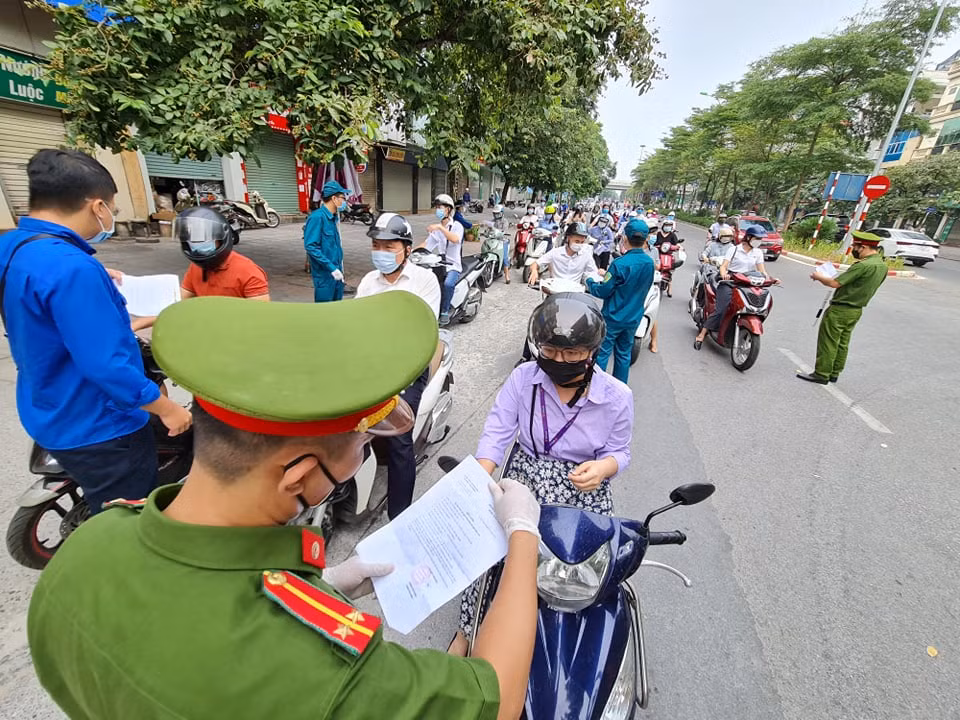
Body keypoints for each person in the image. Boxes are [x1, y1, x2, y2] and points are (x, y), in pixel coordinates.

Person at [28, 292, 542, 720]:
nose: (363, 454)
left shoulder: (87, 549)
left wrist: (322, 584)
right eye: (360, 447)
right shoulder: (323, 671)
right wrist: (521, 536)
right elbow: (496, 696)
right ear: (297, 476)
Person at [0, 149, 191, 514]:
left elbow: (33, 302)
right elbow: (106, 365)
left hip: (46, 407)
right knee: (126, 518)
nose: (110, 217)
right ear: (96, 206)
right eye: (113, 210)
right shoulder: (73, 269)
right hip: (100, 425)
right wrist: (167, 408)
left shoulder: (12, 246)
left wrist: (98, 278)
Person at [449, 293, 633, 654]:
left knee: (584, 568)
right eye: (550, 351)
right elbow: (497, 432)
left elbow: (620, 452)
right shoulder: (524, 378)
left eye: (572, 354)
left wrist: (604, 467)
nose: (559, 361)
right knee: (490, 553)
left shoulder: (617, 396)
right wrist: (478, 480)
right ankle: (466, 631)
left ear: (592, 351)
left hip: (581, 487)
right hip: (524, 477)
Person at [357, 213, 441, 518]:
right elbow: (355, 325)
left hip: (408, 368)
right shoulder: (368, 282)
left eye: (388, 246)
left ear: (406, 248)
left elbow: (421, 330)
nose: (381, 251)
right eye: (376, 245)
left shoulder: (424, 280)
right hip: (372, 365)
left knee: (398, 436)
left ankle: (399, 516)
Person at [130, 207, 270, 332]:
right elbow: (176, 303)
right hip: (206, 330)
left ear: (222, 238)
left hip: (234, 334)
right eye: (193, 241)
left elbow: (260, 319)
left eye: (203, 239)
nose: (197, 244)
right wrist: (141, 322)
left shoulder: (248, 272)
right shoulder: (196, 268)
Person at [798, 231, 888, 384]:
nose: (853, 249)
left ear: (863, 247)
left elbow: (835, 283)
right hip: (856, 310)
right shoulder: (881, 265)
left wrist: (818, 277)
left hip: (841, 309)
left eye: (855, 246)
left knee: (829, 341)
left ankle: (821, 373)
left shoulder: (863, 265)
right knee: (843, 342)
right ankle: (834, 372)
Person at [586, 217, 655, 383]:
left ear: (624, 238)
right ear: (646, 240)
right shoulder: (649, 263)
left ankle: (597, 387)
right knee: (624, 355)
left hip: (613, 318)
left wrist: (590, 282)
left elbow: (603, 291)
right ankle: (619, 389)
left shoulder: (619, 264)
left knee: (602, 354)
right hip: (633, 318)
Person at [694, 226, 777, 350]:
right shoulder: (734, 250)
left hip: (747, 283)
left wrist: (771, 278)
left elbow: (762, 271)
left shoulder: (758, 252)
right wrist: (724, 274)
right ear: (748, 237)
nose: (759, 241)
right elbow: (724, 266)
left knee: (755, 306)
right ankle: (702, 334)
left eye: (760, 239)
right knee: (721, 309)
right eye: (757, 238)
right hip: (730, 282)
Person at [421, 193, 464, 327]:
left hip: (453, 266)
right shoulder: (437, 229)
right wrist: (409, 252)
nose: (438, 210)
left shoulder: (457, 226)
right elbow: (427, 244)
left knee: (448, 284)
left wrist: (440, 227)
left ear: (449, 210)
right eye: (437, 207)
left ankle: (445, 311)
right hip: (440, 263)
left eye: (441, 207)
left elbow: (455, 239)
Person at [304, 180, 349, 302]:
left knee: (337, 311)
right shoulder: (317, 217)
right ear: (334, 198)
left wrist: (338, 269)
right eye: (342, 198)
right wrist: (331, 268)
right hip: (324, 276)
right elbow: (311, 247)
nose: (344, 201)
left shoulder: (333, 218)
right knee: (324, 312)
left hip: (337, 274)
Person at [528, 222, 599, 287]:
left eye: (582, 242)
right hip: (554, 292)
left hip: (574, 293)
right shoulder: (555, 253)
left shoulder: (586, 256)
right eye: (577, 241)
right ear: (568, 238)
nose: (579, 244)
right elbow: (535, 264)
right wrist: (534, 271)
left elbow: (593, 272)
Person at [652, 219, 680, 297]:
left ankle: (669, 287)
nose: (668, 227)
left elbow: (677, 244)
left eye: (669, 226)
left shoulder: (672, 235)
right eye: (666, 225)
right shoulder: (658, 234)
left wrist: (678, 247)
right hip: (658, 253)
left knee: (671, 269)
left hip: (668, 255)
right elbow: (653, 242)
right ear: (663, 226)